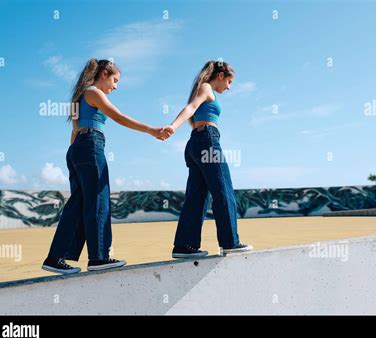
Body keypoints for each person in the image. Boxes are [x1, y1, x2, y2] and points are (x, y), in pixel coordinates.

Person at [42, 58, 172, 274]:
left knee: (77, 205)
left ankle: (55, 258)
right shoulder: (94, 93)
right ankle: (99, 258)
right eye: (115, 80)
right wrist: (152, 130)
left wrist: (74, 159)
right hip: (91, 146)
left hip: (77, 149)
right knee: (99, 201)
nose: (116, 86)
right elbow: (119, 117)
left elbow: (74, 132)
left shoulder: (79, 96)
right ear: (103, 74)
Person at [162, 60, 253, 258]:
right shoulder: (206, 88)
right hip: (207, 141)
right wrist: (173, 126)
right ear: (220, 76)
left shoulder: (202, 88)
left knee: (197, 196)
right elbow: (191, 108)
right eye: (229, 82)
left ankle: (184, 245)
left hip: (196, 143)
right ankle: (230, 242)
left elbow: (193, 108)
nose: (229, 87)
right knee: (223, 190)